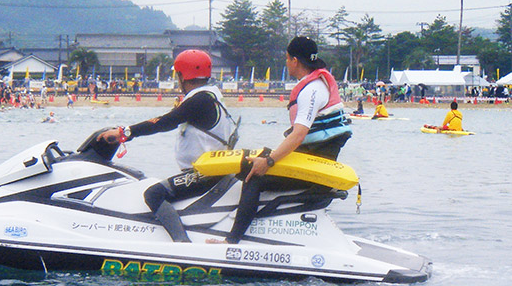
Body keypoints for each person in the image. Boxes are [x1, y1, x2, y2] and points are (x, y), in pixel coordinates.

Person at [207, 36, 351, 244]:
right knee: (255, 161)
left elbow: (299, 134)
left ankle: (232, 240)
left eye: (286, 58)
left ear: (294, 60)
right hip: (313, 159)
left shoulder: (311, 90)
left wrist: (269, 161)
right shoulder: (317, 83)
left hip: (314, 167)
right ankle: (259, 226)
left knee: (253, 176)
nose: (286, 62)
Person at [98, 49, 238, 243]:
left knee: (154, 193)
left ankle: (181, 243)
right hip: (213, 169)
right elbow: (167, 119)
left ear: (181, 75)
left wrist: (124, 133)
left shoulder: (199, 100)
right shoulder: (211, 96)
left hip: (205, 174)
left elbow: (165, 122)